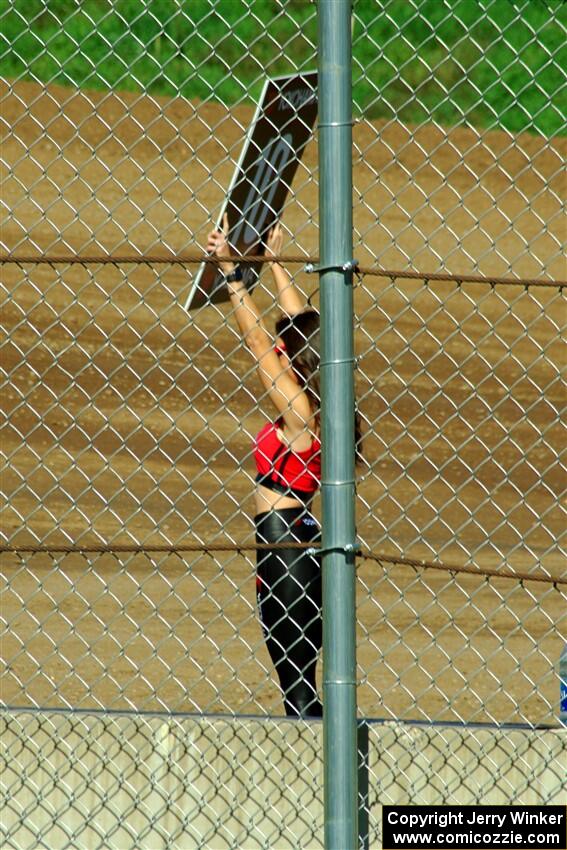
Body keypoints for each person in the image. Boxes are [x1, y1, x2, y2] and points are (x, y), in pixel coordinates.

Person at [206, 215, 324, 717]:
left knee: (295, 680)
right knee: (297, 673)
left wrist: (232, 274)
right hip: (287, 535)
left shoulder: (298, 412)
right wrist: (275, 266)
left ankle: (316, 763)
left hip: (284, 544)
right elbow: (303, 326)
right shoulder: (323, 391)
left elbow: (259, 345)